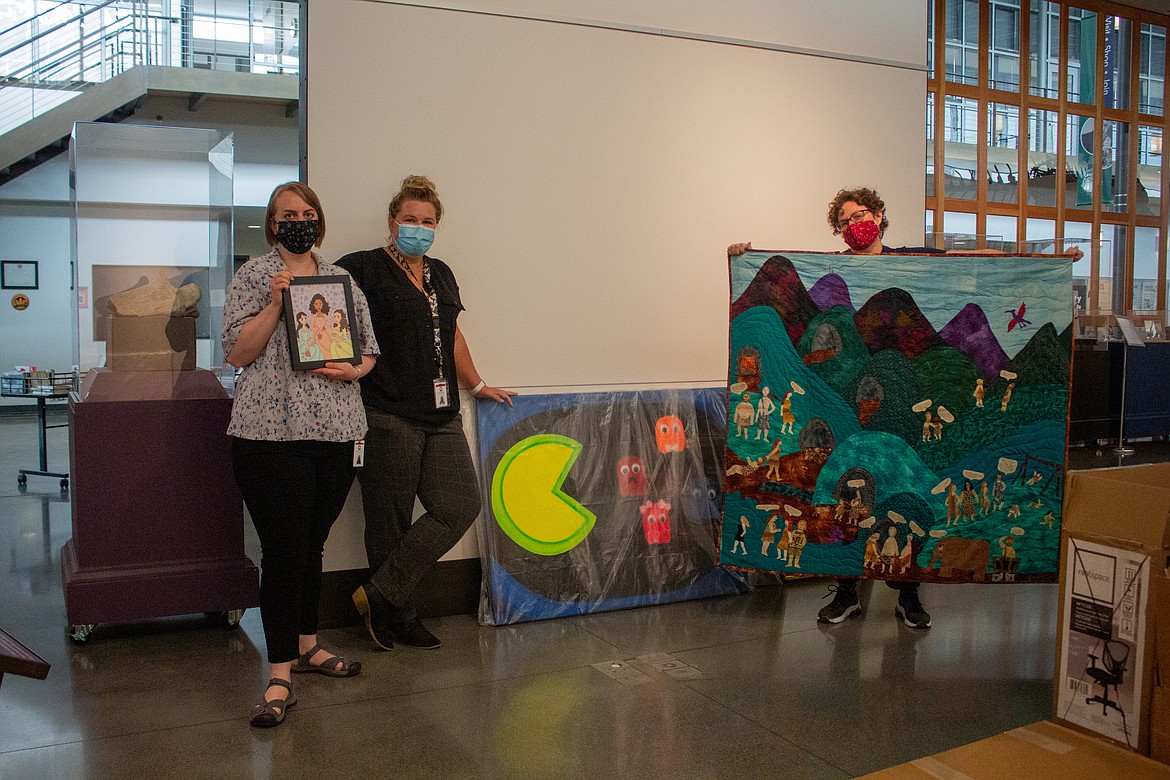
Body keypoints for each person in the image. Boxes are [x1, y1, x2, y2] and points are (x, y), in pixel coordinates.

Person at [336, 175, 515, 651]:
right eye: (409, 220)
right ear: (392, 222)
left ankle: (377, 595)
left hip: (441, 415)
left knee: (459, 505)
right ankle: (400, 617)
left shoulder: (442, 273)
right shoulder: (362, 269)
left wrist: (477, 384)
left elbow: (452, 335)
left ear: (437, 226)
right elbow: (324, 315)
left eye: (427, 222)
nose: (418, 228)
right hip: (386, 413)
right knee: (389, 521)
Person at [224, 182, 379, 726]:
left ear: (320, 222)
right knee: (283, 551)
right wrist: (274, 303)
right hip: (269, 436)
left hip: (336, 433)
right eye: (287, 214)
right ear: (272, 224)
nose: (299, 220)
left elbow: (367, 351)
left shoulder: (341, 280)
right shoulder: (253, 276)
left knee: (311, 547)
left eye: (308, 213)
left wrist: (353, 367)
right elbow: (238, 353)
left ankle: (309, 646)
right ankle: (279, 673)